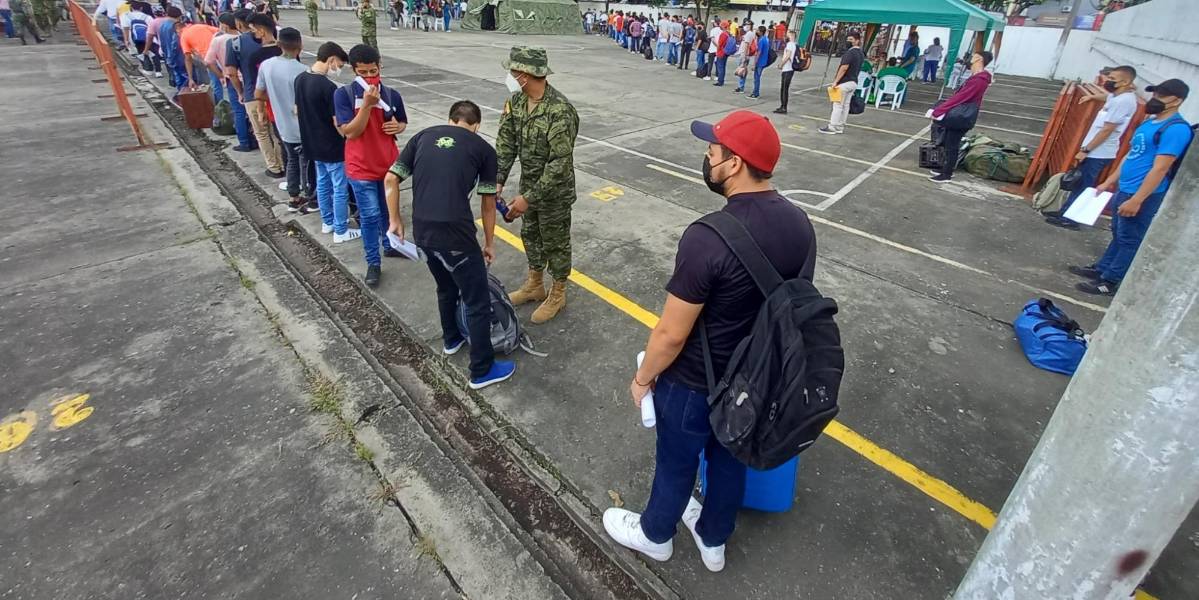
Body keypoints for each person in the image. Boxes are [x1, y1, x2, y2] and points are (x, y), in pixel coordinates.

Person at [603, 110, 816, 573]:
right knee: (730, 460)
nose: (706, 157)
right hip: (756, 382)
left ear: (734, 164)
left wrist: (643, 379)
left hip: (695, 382)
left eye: (712, 151)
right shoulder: (801, 224)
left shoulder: (707, 237)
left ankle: (656, 535)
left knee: (676, 462)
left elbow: (670, 333)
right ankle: (713, 540)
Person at [384, 101, 517, 389]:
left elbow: (391, 178)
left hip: (423, 230)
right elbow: (488, 202)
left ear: (450, 120)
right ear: (477, 126)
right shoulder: (483, 149)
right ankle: (482, 370)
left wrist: (395, 220)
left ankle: (452, 339)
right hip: (456, 235)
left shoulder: (422, 137)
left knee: (445, 287)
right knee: (477, 301)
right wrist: (490, 242)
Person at [1070, 79, 1193, 297]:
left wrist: (1138, 199)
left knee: (1129, 239)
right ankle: (1102, 269)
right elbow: (1131, 155)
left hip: (1144, 193)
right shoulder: (1150, 123)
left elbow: (1160, 168)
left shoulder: (1176, 129)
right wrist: (1109, 181)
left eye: (1161, 96)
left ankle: (1110, 280)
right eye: (1155, 94)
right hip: (1125, 187)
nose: (1155, 99)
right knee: (1118, 232)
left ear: (1177, 100)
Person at [495, 46, 579, 324]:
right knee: (530, 235)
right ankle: (535, 284)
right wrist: (497, 180)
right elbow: (506, 143)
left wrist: (528, 198)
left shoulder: (560, 111)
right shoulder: (516, 102)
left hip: (554, 193)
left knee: (555, 242)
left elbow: (559, 163)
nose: (510, 75)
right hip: (529, 185)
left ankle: (557, 292)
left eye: (513, 71)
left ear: (526, 74)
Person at [334, 44, 408, 287]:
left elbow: (403, 122)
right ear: (353, 70)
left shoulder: (392, 94)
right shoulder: (343, 95)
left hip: (388, 166)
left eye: (373, 71)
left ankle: (389, 245)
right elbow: (350, 132)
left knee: (389, 212)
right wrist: (366, 106)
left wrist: (397, 127)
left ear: (380, 65)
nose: (369, 77)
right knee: (370, 216)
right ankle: (373, 262)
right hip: (361, 167)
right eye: (363, 72)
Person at [1046, 66, 1140, 229]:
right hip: (1096, 151)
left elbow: (1107, 129)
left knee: (1084, 186)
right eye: (1108, 77)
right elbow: (1108, 97)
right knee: (1080, 183)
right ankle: (1066, 212)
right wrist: (1092, 97)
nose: (1108, 81)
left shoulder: (1123, 101)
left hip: (1099, 152)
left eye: (1112, 79)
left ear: (1125, 82)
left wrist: (1086, 150)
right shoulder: (1118, 95)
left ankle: (1072, 219)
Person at [295, 42, 360, 243]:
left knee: (323, 184)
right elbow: (337, 122)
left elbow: (297, 109)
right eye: (339, 64)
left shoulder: (300, 79)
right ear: (331, 59)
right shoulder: (328, 87)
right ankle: (341, 229)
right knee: (339, 187)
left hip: (311, 143)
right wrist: (350, 136)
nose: (338, 69)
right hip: (331, 145)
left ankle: (328, 222)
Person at [256, 27, 313, 213]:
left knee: (291, 161)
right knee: (306, 164)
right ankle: (311, 198)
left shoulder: (267, 65)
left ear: (279, 44)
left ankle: (293, 197)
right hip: (303, 127)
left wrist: (275, 97)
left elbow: (258, 93)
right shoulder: (304, 71)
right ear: (301, 46)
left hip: (281, 124)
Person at [928, 51, 994, 183]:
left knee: (952, 144)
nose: (970, 59)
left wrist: (940, 110)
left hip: (962, 116)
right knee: (947, 141)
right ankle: (944, 169)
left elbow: (961, 97)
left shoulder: (979, 80)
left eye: (974, 56)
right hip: (960, 114)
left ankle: (947, 174)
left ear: (978, 59)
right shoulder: (977, 78)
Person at [242, 12, 285, 178]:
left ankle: (274, 167)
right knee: (279, 136)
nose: (252, 34)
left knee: (262, 133)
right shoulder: (284, 51)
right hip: (283, 103)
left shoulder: (256, 57)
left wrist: (260, 110)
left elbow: (258, 89)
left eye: (253, 31)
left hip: (265, 102)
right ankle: (283, 164)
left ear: (261, 31)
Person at [818, 30, 863, 135]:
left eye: (851, 40)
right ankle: (840, 126)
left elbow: (844, 68)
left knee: (837, 105)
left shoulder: (850, 53)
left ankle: (832, 126)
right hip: (853, 82)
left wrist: (835, 82)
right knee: (845, 106)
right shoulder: (860, 53)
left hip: (844, 83)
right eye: (848, 39)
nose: (848, 41)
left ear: (857, 41)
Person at [179, 18, 219, 95]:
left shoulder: (183, 36)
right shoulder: (201, 26)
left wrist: (190, 78)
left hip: (209, 59)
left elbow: (188, 58)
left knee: (216, 84)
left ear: (178, 30)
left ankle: (219, 105)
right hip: (221, 53)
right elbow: (219, 31)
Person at [774, 29, 796, 114]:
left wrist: (781, 64)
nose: (785, 36)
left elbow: (787, 56)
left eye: (787, 34)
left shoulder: (790, 44)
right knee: (784, 88)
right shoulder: (794, 45)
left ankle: (784, 107)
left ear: (790, 35)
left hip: (787, 69)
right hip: (789, 69)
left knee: (784, 88)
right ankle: (782, 106)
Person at [750, 25, 769, 99]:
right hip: (764, 61)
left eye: (758, 30)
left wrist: (754, 64)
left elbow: (758, 52)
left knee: (756, 78)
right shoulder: (766, 39)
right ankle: (755, 92)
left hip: (760, 62)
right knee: (757, 77)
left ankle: (755, 93)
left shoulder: (761, 41)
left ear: (761, 32)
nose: (756, 32)